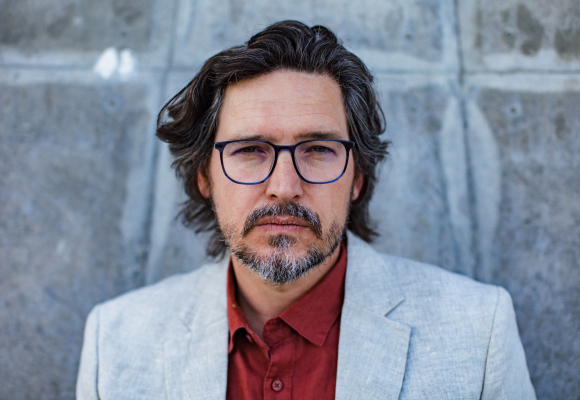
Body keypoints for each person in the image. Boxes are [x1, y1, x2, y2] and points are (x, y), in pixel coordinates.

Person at [76, 20, 536, 399]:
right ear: (204, 178)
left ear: (357, 177)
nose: (284, 187)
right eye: (250, 150)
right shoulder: (115, 342)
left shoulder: (478, 334)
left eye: (317, 149)